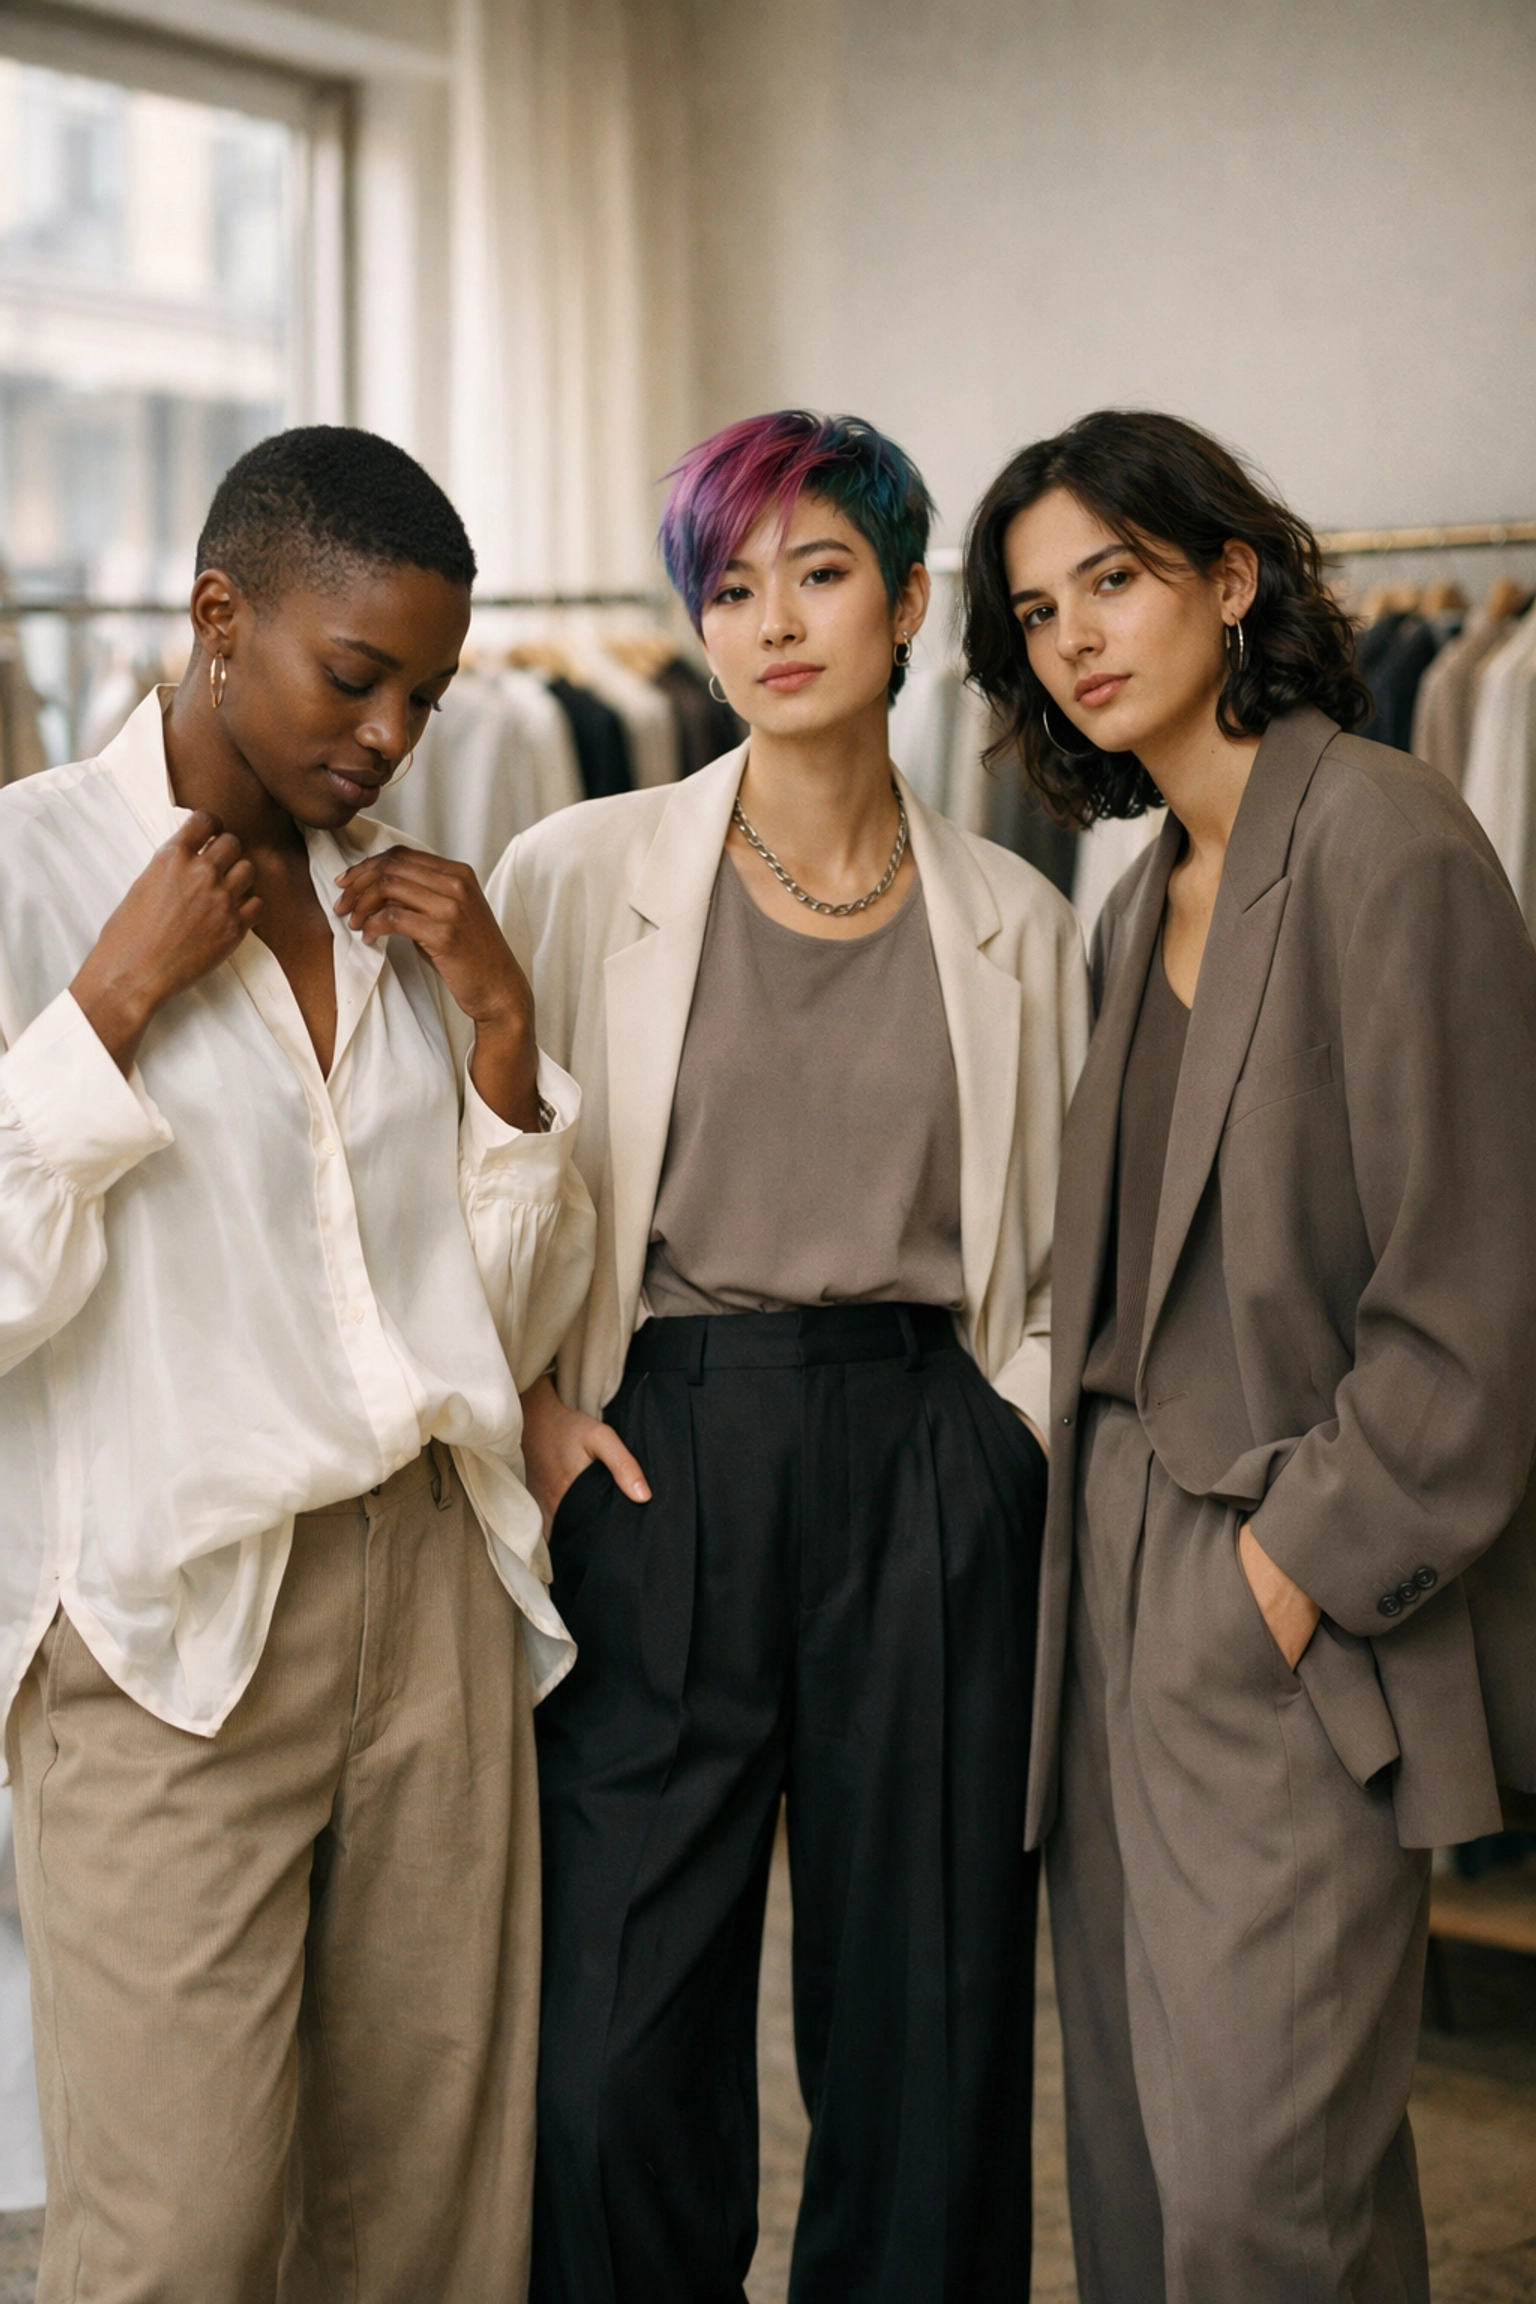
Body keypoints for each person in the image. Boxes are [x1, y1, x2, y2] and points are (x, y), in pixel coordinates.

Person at [487, 409, 1089, 2303]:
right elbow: (467, 1182)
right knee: (603, 2055)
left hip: (926, 1465)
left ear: (907, 604)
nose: (773, 622)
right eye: (729, 587)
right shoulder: (577, 872)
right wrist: (534, 1412)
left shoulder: (1019, 922)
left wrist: (1004, 1453)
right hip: (660, 1458)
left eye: (819, 573)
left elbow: (1068, 1263)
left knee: (927, 2039)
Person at [0, 425, 594, 2303]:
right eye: (359, 677)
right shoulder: (26, 880)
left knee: (427, 2217)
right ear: (217, 615)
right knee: (174, 2242)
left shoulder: (413, 905)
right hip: (169, 1629)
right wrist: (111, 1001)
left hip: (430, 1592)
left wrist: (501, 1035)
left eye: (426, 693)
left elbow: (485, 1317)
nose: (392, 736)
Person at [962, 407, 1536, 2304]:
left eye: (1112, 581)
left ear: (1229, 576)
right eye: (1041, 612)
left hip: (1279, 1583)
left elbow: (1478, 1298)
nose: (1077, 640)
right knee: (1134, 2175)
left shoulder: (1388, 838)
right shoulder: (1137, 898)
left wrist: (1282, 1578)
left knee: (1262, 2198)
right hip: (1106, 1581)